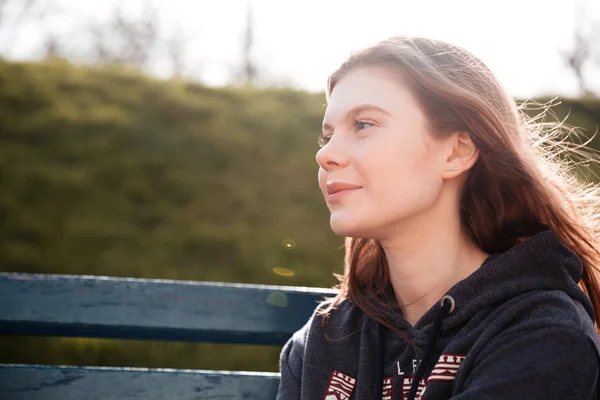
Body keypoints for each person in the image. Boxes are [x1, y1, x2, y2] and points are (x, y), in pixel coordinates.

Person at [276, 36, 600, 400]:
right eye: (327, 136)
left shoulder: (542, 333)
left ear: (456, 153)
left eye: (364, 124)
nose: (326, 156)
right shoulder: (324, 339)